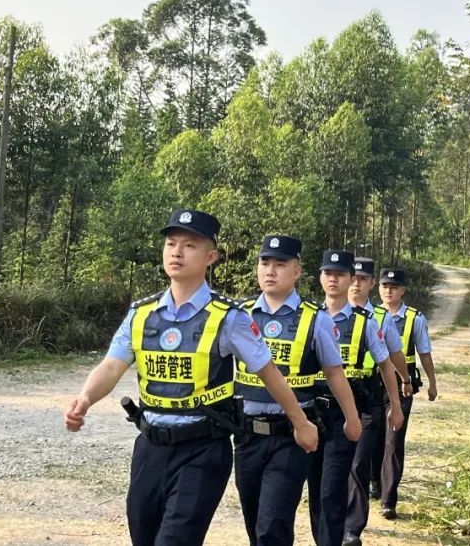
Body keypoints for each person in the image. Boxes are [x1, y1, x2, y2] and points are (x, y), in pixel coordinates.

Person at [63, 209, 318, 546]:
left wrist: (300, 422)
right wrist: (85, 399)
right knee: (144, 536)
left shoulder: (229, 318)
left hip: (202, 449)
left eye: (189, 245)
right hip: (150, 449)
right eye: (171, 243)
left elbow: (268, 372)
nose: (177, 252)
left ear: (210, 256)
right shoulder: (141, 314)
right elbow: (112, 365)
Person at [233, 234, 362, 546]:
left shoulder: (314, 318)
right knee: (254, 522)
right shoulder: (239, 314)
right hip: (247, 436)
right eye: (265, 263)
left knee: (272, 524)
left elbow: (333, 372)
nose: (271, 271)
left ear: (297, 271)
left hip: (292, 434)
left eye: (280, 264)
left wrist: (352, 418)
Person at [307, 250, 404, 546]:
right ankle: (323, 537)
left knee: (334, 485)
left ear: (351, 279)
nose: (334, 280)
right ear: (320, 278)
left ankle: (345, 534)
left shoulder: (366, 323)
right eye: (328, 273)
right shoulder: (307, 317)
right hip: (312, 412)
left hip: (350, 413)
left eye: (341, 274)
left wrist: (396, 407)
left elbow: (386, 364)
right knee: (316, 488)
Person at [343, 256, 410, 546]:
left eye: (361, 279)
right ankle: (332, 519)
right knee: (333, 464)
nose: (355, 283)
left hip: (368, 393)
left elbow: (392, 359)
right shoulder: (321, 314)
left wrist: (402, 388)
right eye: (352, 277)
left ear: (371, 283)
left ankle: (352, 528)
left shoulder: (379, 319)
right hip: (328, 396)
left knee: (358, 462)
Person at [376, 267, 437, 521]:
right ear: (378, 288)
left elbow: (424, 352)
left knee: (393, 440)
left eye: (394, 286)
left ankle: (388, 499)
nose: (389, 291)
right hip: (372, 384)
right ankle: (374, 484)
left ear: (402, 290)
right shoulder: (369, 315)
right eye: (384, 286)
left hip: (403, 385)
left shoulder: (414, 319)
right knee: (373, 438)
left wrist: (432, 382)